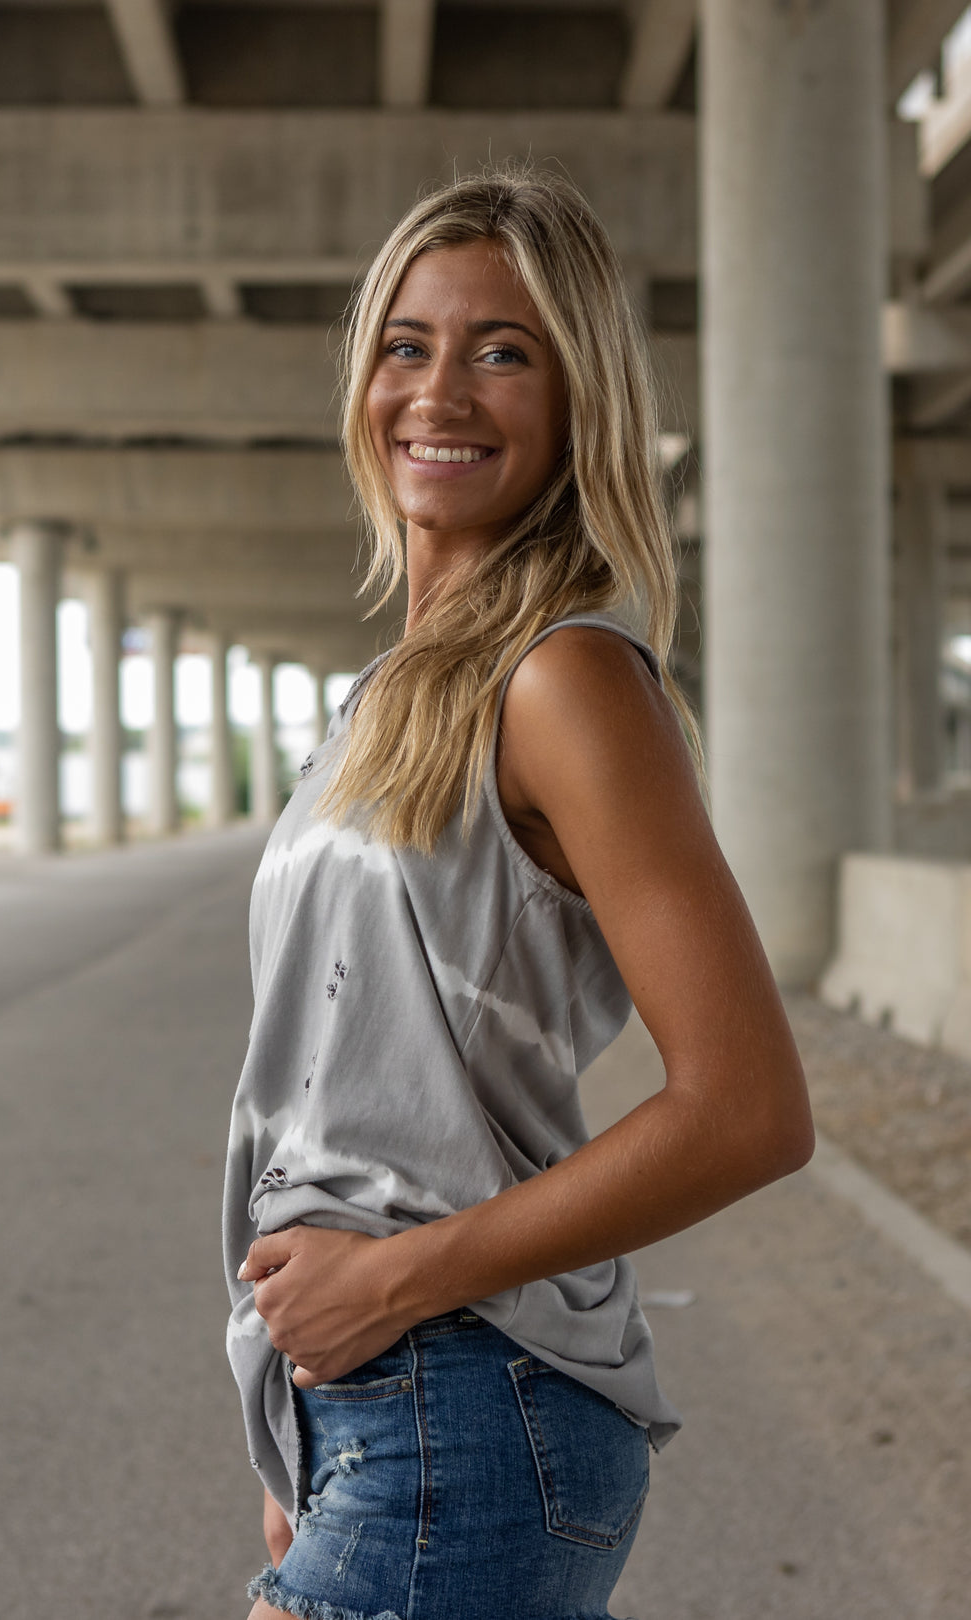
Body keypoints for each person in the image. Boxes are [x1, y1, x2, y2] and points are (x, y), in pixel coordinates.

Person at [222, 166, 813, 1620]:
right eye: (408, 345)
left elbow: (748, 1109)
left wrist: (396, 1284)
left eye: (505, 350)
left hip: (464, 1408)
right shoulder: (383, 702)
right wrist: (292, 1417)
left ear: (577, 400)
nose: (443, 391)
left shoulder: (566, 681)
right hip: (375, 1420)